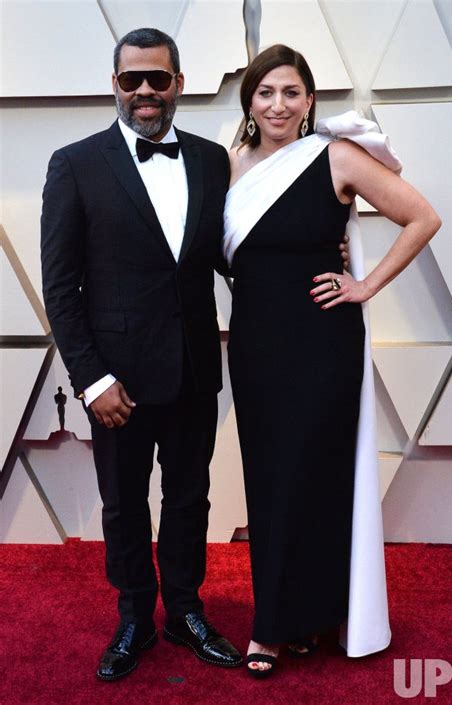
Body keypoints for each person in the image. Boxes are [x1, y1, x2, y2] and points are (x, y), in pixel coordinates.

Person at [223, 44, 441, 678]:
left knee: (314, 478)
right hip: (257, 344)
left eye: (291, 92)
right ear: (250, 102)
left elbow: (421, 217)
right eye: (265, 93)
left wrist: (365, 285)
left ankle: (281, 628)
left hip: (322, 342)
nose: (278, 105)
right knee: (268, 481)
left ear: (311, 100)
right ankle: (287, 616)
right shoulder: (231, 166)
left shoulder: (336, 156)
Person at [41, 27, 244, 681]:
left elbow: (228, 254)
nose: (147, 91)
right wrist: (90, 377)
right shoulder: (75, 164)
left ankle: (184, 612)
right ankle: (135, 616)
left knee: (190, 498)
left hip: (192, 370)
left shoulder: (214, 161)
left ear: (179, 84)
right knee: (124, 503)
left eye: (159, 78)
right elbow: (60, 286)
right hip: (117, 380)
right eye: (134, 80)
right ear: (116, 86)